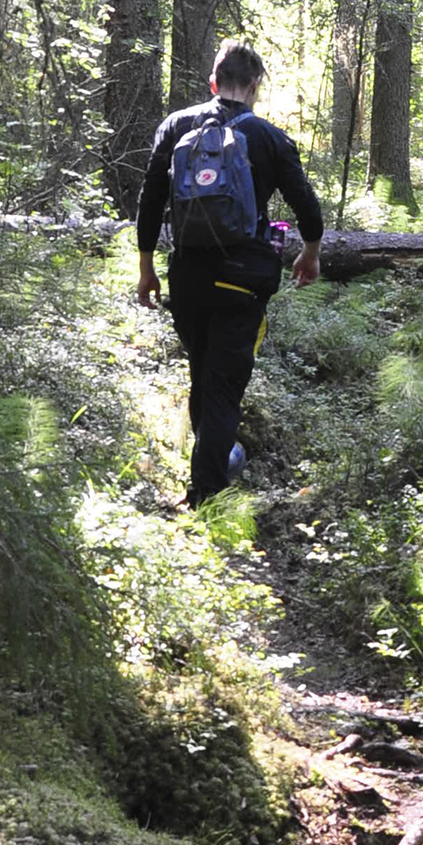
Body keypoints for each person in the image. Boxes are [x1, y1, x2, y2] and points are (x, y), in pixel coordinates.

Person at [136, 39, 323, 503]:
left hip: (188, 276)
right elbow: (306, 205)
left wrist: (146, 269)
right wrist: (311, 253)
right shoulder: (269, 138)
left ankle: (211, 465)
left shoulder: (176, 126)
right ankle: (208, 492)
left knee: (203, 374)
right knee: (222, 386)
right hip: (242, 277)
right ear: (255, 85)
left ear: (214, 82)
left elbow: (149, 203)